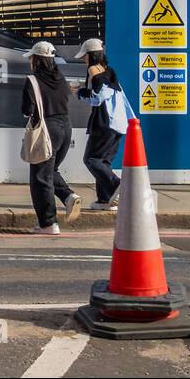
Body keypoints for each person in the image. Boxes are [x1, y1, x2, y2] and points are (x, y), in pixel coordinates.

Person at [21, 41, 80, 234]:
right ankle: (68, 196)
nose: (30, 60)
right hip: (65, 127)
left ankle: (48, 223)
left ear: (37, 60)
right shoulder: (60, 79)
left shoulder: (33, 80)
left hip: (47, 130)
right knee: (50, 170)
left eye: (31, 57)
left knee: (40, 178)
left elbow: (26, 110)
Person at [74, 39, 125, 211]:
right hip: (118, 123)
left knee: (91, 159)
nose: (83, 60)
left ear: (91, 55)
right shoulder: (110, 71)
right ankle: (105, 199)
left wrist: (80, 92)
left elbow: (97, 98)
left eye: (84, 56)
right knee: (103, 162)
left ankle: (117, 185)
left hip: (104, 123)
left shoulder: (92, 70)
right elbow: (107, 92)